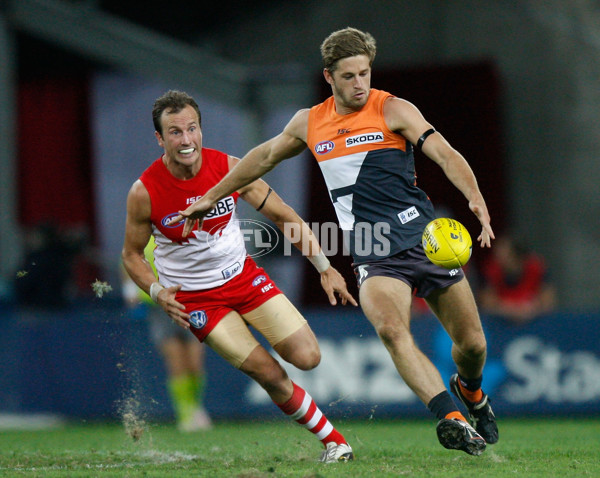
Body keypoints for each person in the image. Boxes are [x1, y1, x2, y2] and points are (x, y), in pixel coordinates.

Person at [173, 27, 498, 456]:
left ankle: (470, 392)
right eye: (349, 76)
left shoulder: (394, 109)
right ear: (329, 76)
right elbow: (261, 158)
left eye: (365, 73)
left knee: (473, 345)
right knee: (391, 330)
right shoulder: (310, 122)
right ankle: (450, 417)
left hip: (426, 239)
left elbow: (446, 154)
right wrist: (211, 196)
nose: (360, 83)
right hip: (372, 248)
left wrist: (473, 196)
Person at [122, 89, 357, 463]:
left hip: (244, 280)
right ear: (159, 138)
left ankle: (328, 437)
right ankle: (334, 442)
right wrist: (155, 289)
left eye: (192, 129)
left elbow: (284, 216)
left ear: (201, 130)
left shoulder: (231, 168)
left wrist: (325, 268)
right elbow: (131, 254)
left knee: (308, 356)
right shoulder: (144, 191)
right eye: (175, 132)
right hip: (197, 300)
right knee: (270, 374)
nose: (186, 140)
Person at [122, 235, 212, 431]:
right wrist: (129, 289)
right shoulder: (142, 235)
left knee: (195, 362)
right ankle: (185, 413)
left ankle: (196, 407)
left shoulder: (186, 233)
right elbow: (129, 260)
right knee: (175, 360)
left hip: (191, 303)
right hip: (158, 308)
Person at [478, 235, 557, 325]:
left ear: (516, 255)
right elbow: (486, 305)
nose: (498, 257)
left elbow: (548, 302)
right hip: (501, 327)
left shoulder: (536, 268)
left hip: (535, 324)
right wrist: (511, 311)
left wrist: (531, 309)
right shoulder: (491, 270)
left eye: (504, 254)